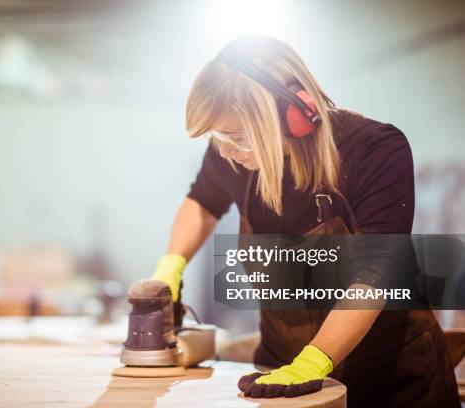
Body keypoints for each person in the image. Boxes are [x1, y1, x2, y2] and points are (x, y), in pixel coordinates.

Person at [151, 36, 460, 407]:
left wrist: (316, 360)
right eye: (218, 138)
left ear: (293, 116)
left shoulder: (373, 150)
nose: (227, 151)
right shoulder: (231, 154)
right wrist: (169, 268)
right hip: (284, 375)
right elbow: (201, 201)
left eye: (238, 137)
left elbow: (375, 275)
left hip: (391, 381)